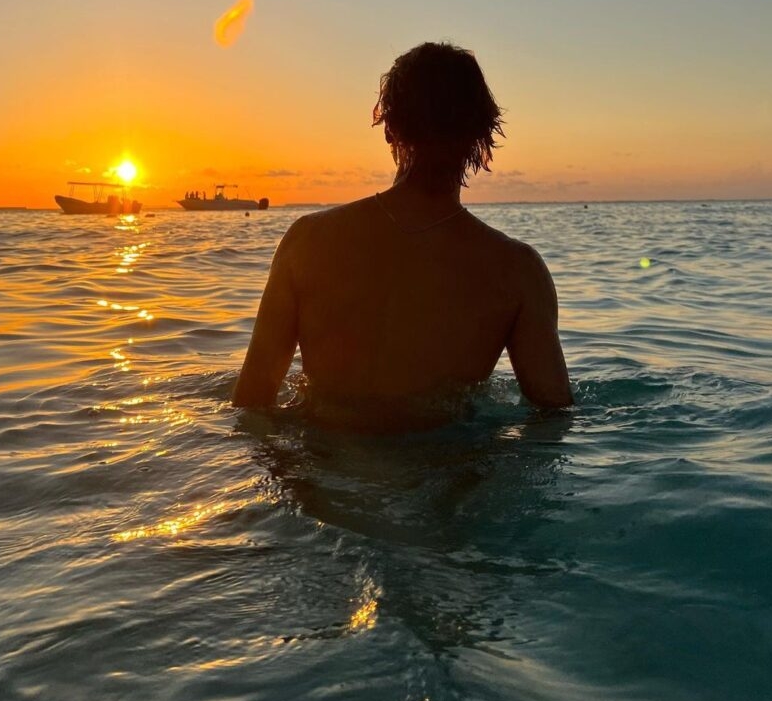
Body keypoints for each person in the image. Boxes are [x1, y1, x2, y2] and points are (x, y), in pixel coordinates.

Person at [233, 42, 572, 428]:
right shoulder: (518, 272)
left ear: (389, 128)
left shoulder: (306, 242)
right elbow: (553, 419)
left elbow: (250, 406)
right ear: (482, 132)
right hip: (446, 478)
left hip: (325, 475)